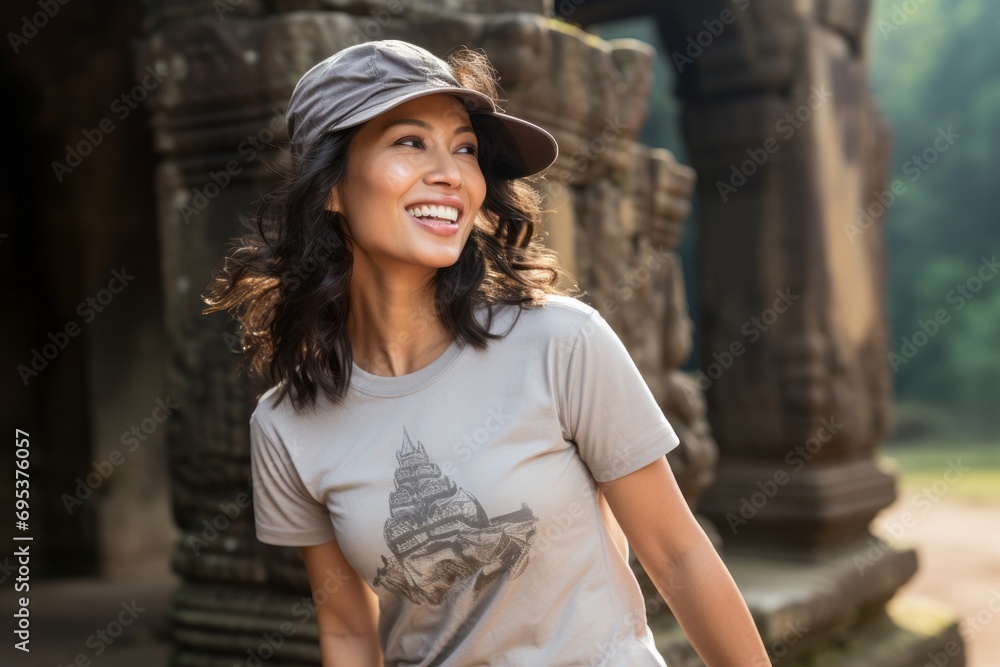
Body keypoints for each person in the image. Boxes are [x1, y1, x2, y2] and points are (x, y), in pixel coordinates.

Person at [203, 39, 769, 667]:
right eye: (409, 141)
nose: (451, 173)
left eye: (465, 148)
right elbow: (345, 628)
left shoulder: (560, 343)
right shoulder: (287, 423)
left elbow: (678, 556)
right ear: (330, 187)